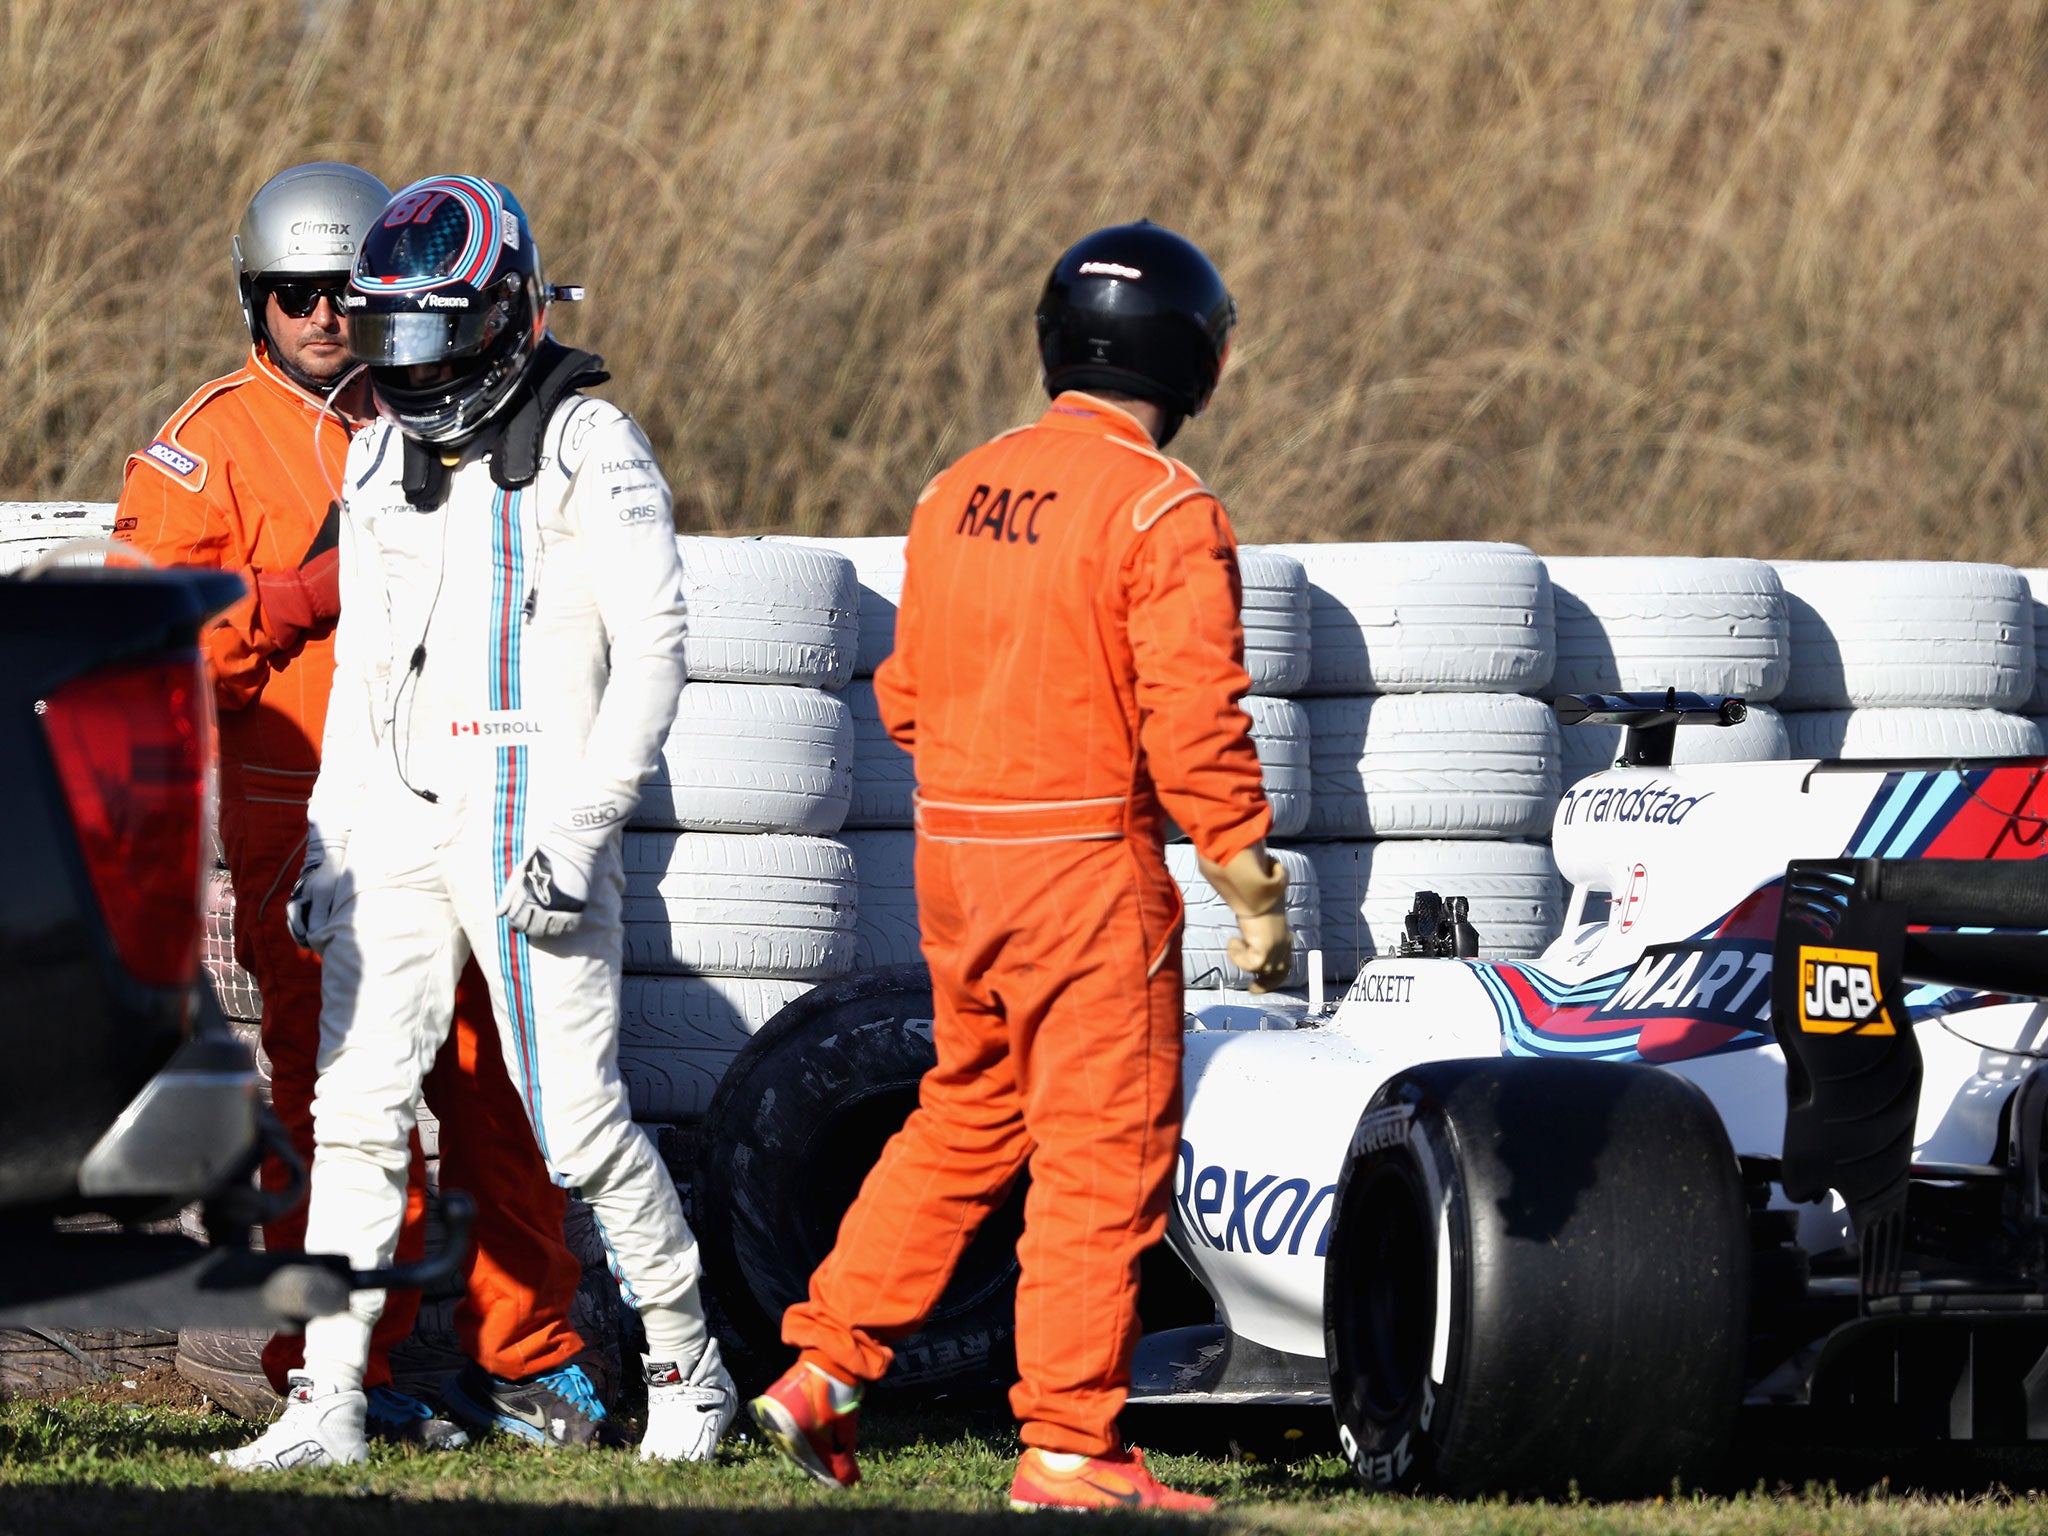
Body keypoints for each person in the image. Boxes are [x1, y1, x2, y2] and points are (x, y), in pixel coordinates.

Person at [749, 221, 1291, 1513]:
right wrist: (1244, 875)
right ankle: (1071, 1449)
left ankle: (824, 1366)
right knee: (1103, 1155)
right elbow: (1195, 714)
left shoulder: (957, 489)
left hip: (960, 860)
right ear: (1192, 359)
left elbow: (907, 697)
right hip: (1086, 869)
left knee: (969, 1116)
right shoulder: (1164, 508)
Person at [217, 174, 734, 1471]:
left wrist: (587, 820)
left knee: (577, 1124)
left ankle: (692, 1371)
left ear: (499, 316)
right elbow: (372, 658)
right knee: (353, 1109)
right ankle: (326, 1403)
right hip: (399, 813)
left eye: (427, 334)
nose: (404, 363)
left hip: (534, 817)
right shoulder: (386, 446)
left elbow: (659, 648)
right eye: (387, 334)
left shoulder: (589, 442)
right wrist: (335, 827)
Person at [117, 162, 596, 1458]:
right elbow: (154, 641)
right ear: (252, 300)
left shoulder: (466, 405)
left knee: (501, 1087)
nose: (324, 316)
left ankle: (531, 1366)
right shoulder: (206, 441)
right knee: (337, 1104)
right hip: (309, 821)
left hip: (473, 797)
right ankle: (334, 1373)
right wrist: (304, 596)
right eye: (293, 294)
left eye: (344, 290)